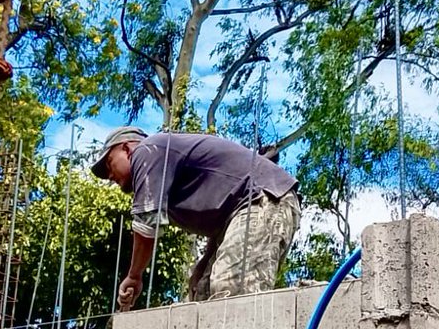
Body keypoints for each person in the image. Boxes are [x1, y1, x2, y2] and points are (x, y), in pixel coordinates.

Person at [91, 127, 301, 310]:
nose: (109, 176)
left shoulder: (147, 150)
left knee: (234, 287)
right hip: (241, 210)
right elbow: (222, 217)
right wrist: (204, 264)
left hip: (265, 198)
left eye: (109, 165)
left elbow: (147, 227)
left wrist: (134, 276)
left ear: (126, 149)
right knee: (201, 292)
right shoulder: (162, 177)